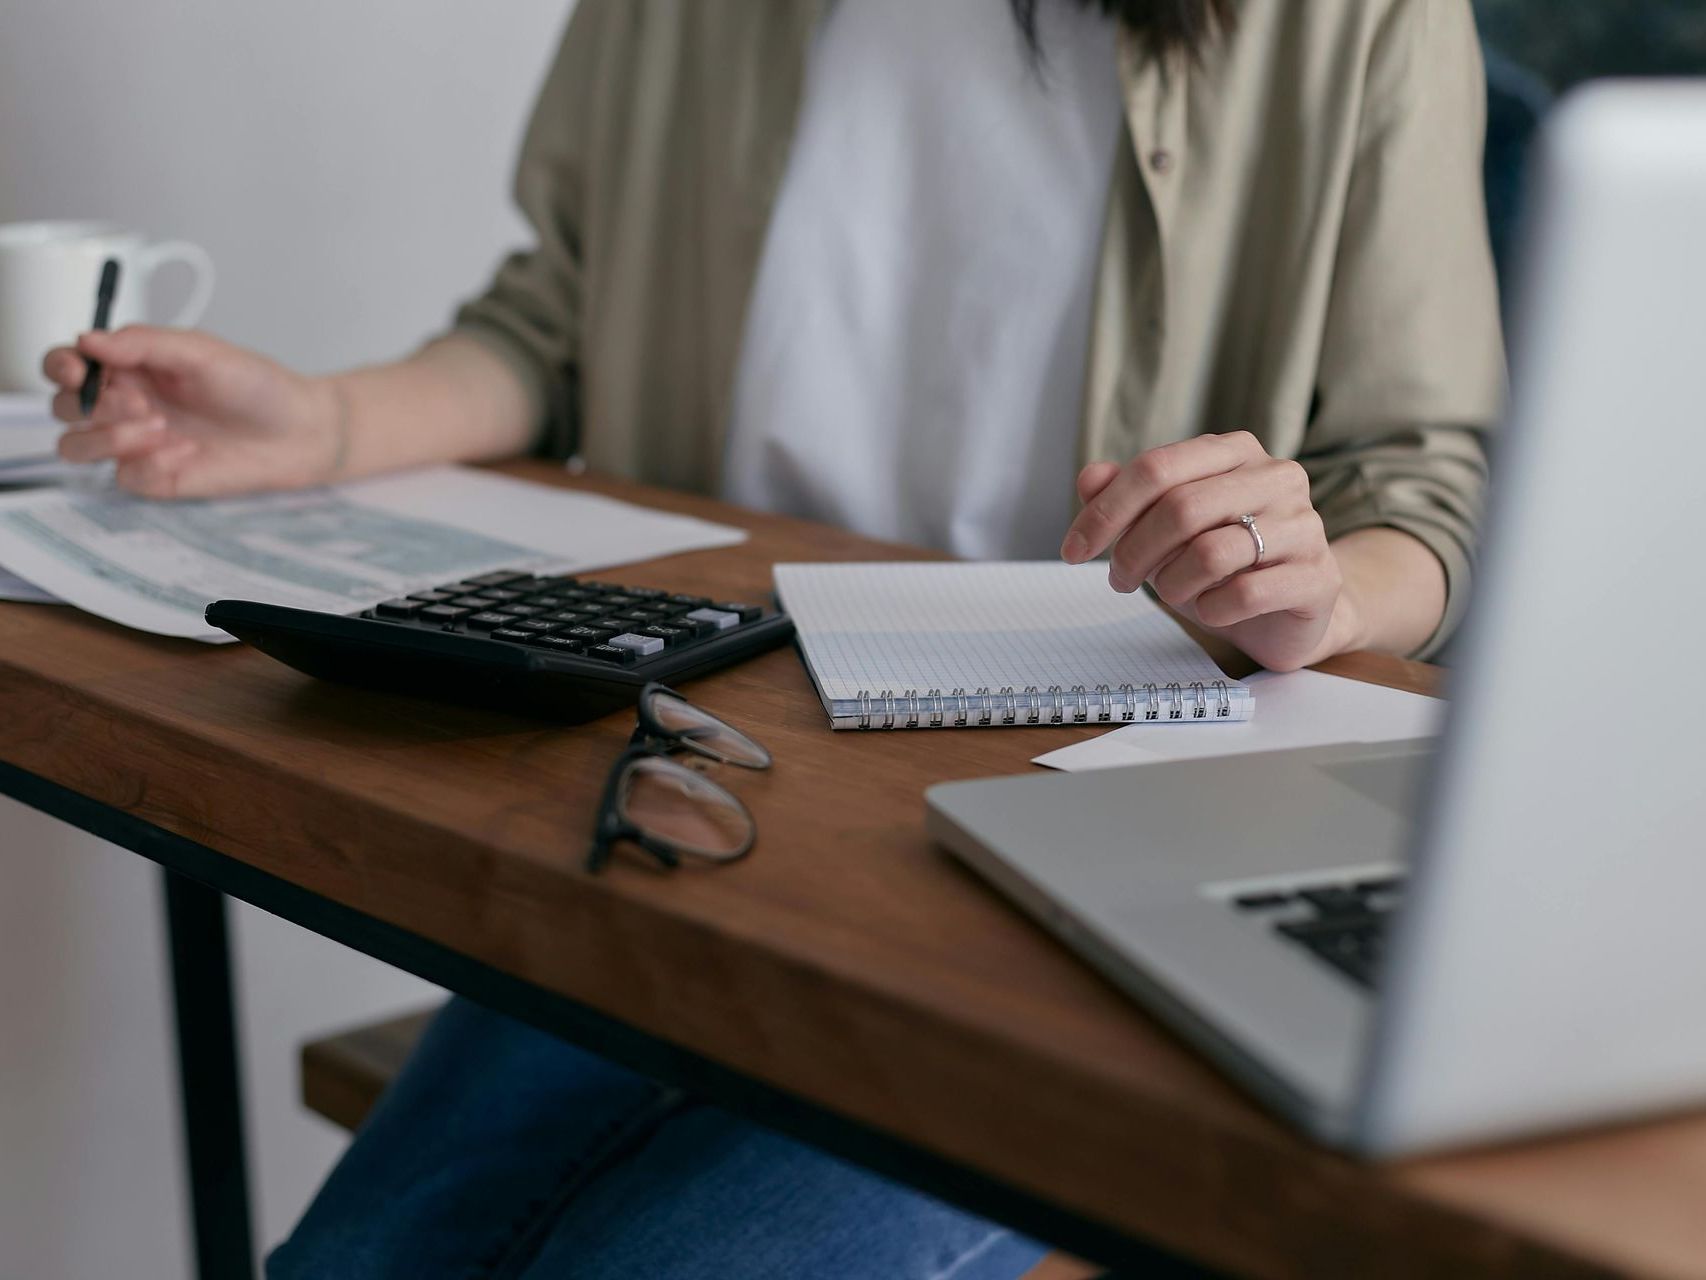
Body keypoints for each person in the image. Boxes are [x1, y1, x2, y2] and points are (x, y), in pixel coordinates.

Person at [43, 0, 1503, 1275]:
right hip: (693, 779)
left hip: (1083, 835)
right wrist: (330, 423)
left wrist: (1316, 592)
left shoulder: (1352, 14)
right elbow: (555, 324)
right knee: (350, 1265)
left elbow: (1419, 483)